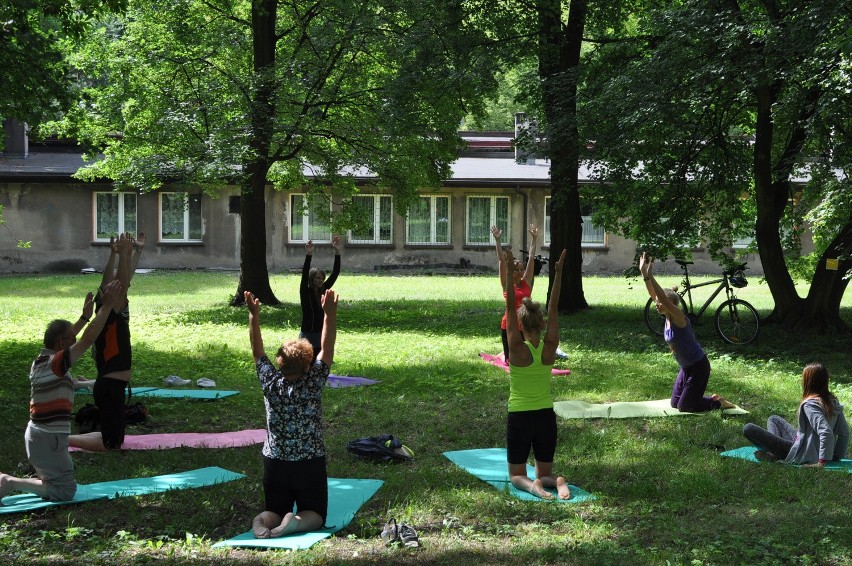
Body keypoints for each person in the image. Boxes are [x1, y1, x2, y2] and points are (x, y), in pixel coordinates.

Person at [0, 281, 123, 503]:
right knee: (64, 491)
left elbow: (72, 337)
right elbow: (86, 339)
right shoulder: (56, 363)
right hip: (49, 440)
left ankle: (11, 481)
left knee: (56, 483)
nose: (74, 342)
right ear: (61, 344)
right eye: (70, 341)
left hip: (39, 436)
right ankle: (9, 482)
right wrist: (107, 307)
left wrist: (84, 318)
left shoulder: (41, 360)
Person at [245, 286, 338, 538]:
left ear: (280, 363)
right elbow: (327, 350)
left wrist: (254, 315)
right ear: (308, 363)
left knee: (274, 510)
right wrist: (329, 313)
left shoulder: (270, 382)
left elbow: (257, 351)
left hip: (275, 461)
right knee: (315, 514)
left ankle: (262, 521)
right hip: (309, 461)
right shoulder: (313, 381)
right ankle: (295, 522)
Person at [503, 248, 571, 500]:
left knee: (517, 475)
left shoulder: (517, 349)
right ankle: (558, 481)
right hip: (545, 416)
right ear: (542, 324)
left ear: (520, 325)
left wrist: (510, 273)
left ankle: (533, 487)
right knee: (545, 473)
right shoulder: (550, 348)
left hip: (520, 416)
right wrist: (559, 272)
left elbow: (510, 307)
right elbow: (553, 308)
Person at [639, 253, 734, 412]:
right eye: (656, 303)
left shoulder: (678, 317)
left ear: (670, 304)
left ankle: (718, 402)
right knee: (675, 404)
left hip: (699, 367)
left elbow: (661, 295)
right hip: (686, 368)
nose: (656, 304)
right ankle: (704, 398)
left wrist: (651, 275)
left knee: (686, 406)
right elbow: (655, 295)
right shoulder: (667, 317)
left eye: (660, 303)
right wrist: (644, 275)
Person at [69, 233, 137, 451]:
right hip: (109, 387)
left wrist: (115, 255)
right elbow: (122, 283)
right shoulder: (111, 313)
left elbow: (111, 281)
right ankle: (62, 439)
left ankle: (65, 438)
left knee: (114, 439)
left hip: (111, 386)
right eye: (111, 289)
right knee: (112, 444)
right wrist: (124, 255)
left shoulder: (107, 312)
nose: (114, 287)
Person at [743, 363, 849, 465]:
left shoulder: (810, 405)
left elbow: (826, 432)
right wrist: (836, 457)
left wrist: (823, 461)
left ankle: (775, 455)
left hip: (803, 454)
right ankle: (773, 453)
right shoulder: (832, 401)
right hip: (805, 445)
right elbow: (844, 432)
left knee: (748, 428)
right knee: (774, 419)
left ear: (808, 381)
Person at [491, 224, 538, 363]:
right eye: (516, 270)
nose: (519, 272)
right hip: (509, 326)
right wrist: (498, 241)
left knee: (528, 359)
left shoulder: (527, 282)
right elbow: (501, 261)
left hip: (526, 325)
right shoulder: (507, 284)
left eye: (521, 270)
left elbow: (531, 258)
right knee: (510, 360)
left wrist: (534, 239)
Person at [300, 235, 340, 359]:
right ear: (312, 279)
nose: (321, 280)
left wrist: (337, 251)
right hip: (307, 334)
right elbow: (305, 273)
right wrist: (309, 254)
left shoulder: (324, 290)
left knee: (318, 363)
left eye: (322, 278)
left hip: (320, 333)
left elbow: (335, 273)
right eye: (317, 278)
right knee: (305, 363)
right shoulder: (305, 292)